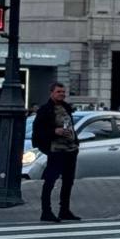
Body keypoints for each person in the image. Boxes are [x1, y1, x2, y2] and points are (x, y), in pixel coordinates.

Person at [32, 82, 81, 223]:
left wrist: (75, 143)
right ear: (52, 93)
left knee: (68, 181)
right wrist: (54, 131)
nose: (62, 94)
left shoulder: (66, 108)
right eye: (59, 92)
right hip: (56, 150)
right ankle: (46, 211)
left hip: (70, 150)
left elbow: (70, 126)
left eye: (63, 92)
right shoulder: (45, 110)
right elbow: (38, 132)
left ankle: (64, 210)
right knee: (50, 181)